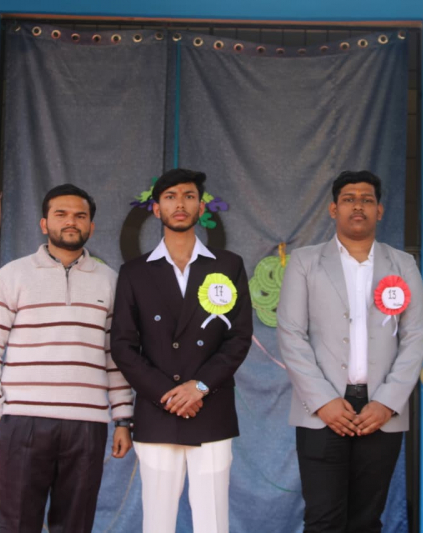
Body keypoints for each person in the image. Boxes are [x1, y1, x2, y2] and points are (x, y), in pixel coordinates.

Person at [0, 183, 134, 533]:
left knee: (75, 525)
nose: (71, 221)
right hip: (22, 421)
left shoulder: (110, 281)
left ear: (91, 226)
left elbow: (116, 357)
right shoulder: (12, 275)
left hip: (87, 425)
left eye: (80, 215)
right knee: (15, 524)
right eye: (61, 214)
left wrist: (123, 419)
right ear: (44, 223)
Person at [277, 170, 423, 533]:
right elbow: (291, 334)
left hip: (380, 412)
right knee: (323, 520)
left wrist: (387, 402)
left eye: (367, 200)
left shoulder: (402, 264)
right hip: (322, 411)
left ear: (380, 210)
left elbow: (415, 336)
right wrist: (323, 401)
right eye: (348, 199)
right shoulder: (305, 261)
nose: (357, 206)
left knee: (366, 520)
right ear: (334, 209)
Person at [111, 168, 252, 533]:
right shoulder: (134, 272)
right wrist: (168, 394)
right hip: (158, 410)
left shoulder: (228, 265)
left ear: (201, 207)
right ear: (156, 209)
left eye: (189, 196)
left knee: (213, 522)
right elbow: (123, 345)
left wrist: (199, 387)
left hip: (211, 407)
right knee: (157, 523)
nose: (180, 204)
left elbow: (239, 337)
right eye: (170, 197)